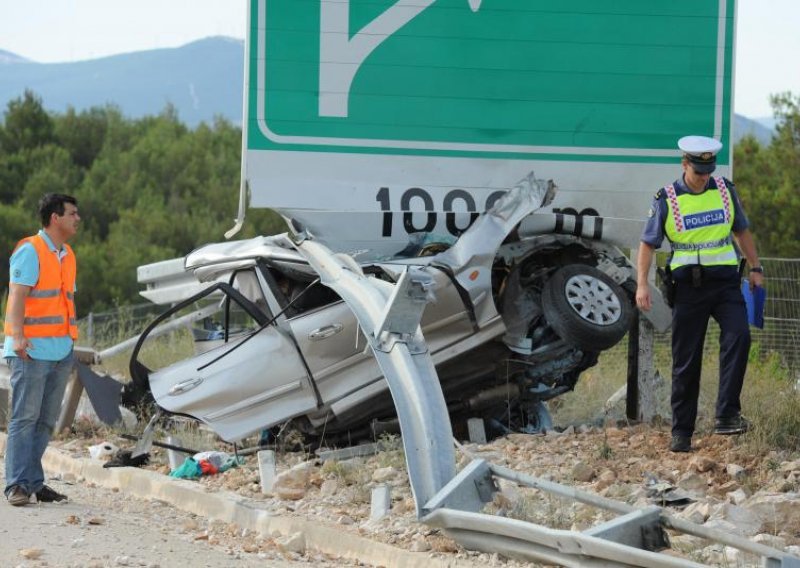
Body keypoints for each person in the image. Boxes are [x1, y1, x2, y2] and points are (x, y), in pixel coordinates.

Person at [635, 136, 764, 453]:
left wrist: (756, 268)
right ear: (684, 164)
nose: (704, 176)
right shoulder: (666, 198)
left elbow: (741, 230)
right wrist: (641, 283)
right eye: (698, 170)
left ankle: (727, 415)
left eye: (708, 169)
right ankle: (681, 432)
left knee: (739, 337)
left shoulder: (725, 190)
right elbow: (648, 244)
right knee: (686, 361)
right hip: (688, 290)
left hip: (725, 285)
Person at [3, 194, 81, 505]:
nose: (78, 219)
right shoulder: (29, 250)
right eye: (73, 214)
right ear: (54, 218)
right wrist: (17, 336)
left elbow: (64, 302)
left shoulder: (68, 254)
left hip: (60, 350)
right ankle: (17, 485)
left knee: (46, 420)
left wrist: (69, 344)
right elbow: (17, 296)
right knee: (24, 418)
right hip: (30, 350)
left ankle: (33, 481)